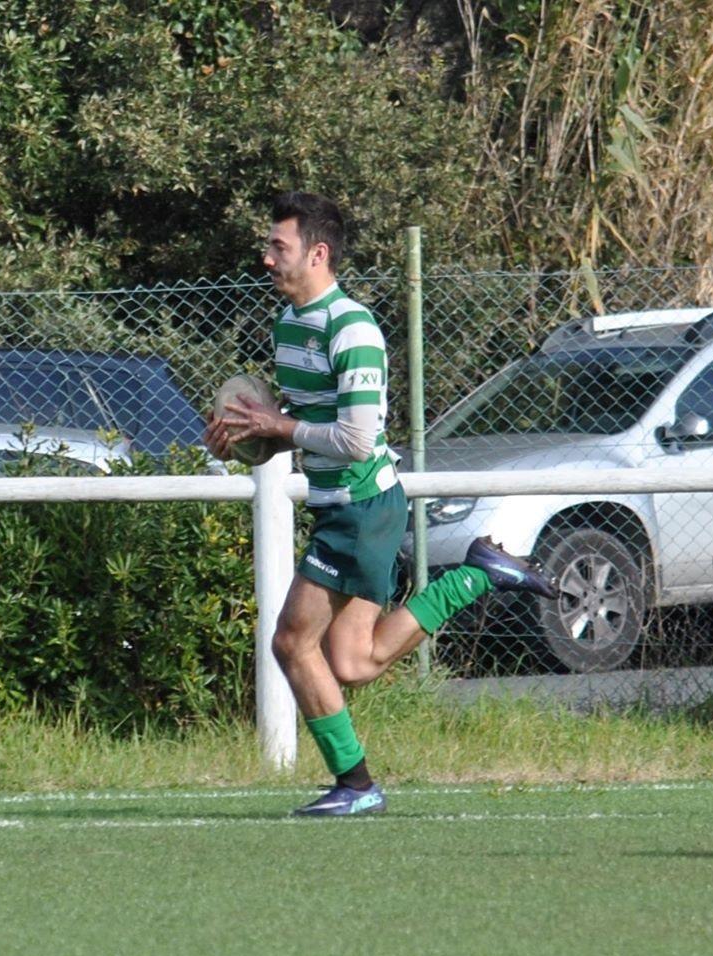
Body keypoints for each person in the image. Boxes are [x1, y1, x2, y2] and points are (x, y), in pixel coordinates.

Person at [204, 191, 556, 816]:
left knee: (291, 643)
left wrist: (277, 426)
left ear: (317, 253)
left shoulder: (353, 329)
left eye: (278, 246)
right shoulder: (289, 325)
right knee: (352, 660)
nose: (267, 258)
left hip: (361, 507)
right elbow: (304, 426)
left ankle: (357, 785)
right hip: (344, 506)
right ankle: (477, 575)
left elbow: (357, 439)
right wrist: (244, 440)